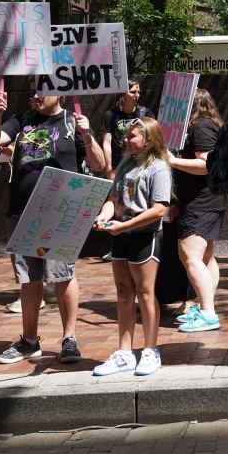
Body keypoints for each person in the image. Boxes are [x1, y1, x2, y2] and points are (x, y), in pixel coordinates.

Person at [0, 79, 106, 364]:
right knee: (29, 279)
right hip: (22, 212)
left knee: (62, 276)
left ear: (59, 93)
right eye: (32, 91)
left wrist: (87, 136)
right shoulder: (22, 119)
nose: (35, 96)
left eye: (41, 91)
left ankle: (69, 338)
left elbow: (99, 165)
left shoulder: (72, 122)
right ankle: (29, 340)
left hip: (60, 212)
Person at [92, 118, 172, 375]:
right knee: (124, 292)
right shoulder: (126, 165)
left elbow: (160, 208)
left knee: (146, 292)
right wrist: (104, 216)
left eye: (132, 136)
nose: (126, 140)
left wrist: (124, 226)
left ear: (148, 140)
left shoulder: (158, 168)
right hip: (122, 234)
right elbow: (113, 200)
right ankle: (124, 353)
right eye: (127, 136)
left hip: (144, 236)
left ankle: (151, 350)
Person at [169, 89, 227, 332]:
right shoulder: (207, 125)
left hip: (201, 202)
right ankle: (206, 306)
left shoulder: (201, 128)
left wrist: (171, 161)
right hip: (207, 200)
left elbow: (206, 165)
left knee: (190, 255)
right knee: (205, 257)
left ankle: (207, 313)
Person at [101, 80, 152, 180]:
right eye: (133, 92)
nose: (137, 95)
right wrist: (109, 168)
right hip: (118, 166)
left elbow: (152, 139)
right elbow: (107, 143)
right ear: (123, 94)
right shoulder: (110, 115)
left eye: (138, 92)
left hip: (140, 165)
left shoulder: (146, 113)